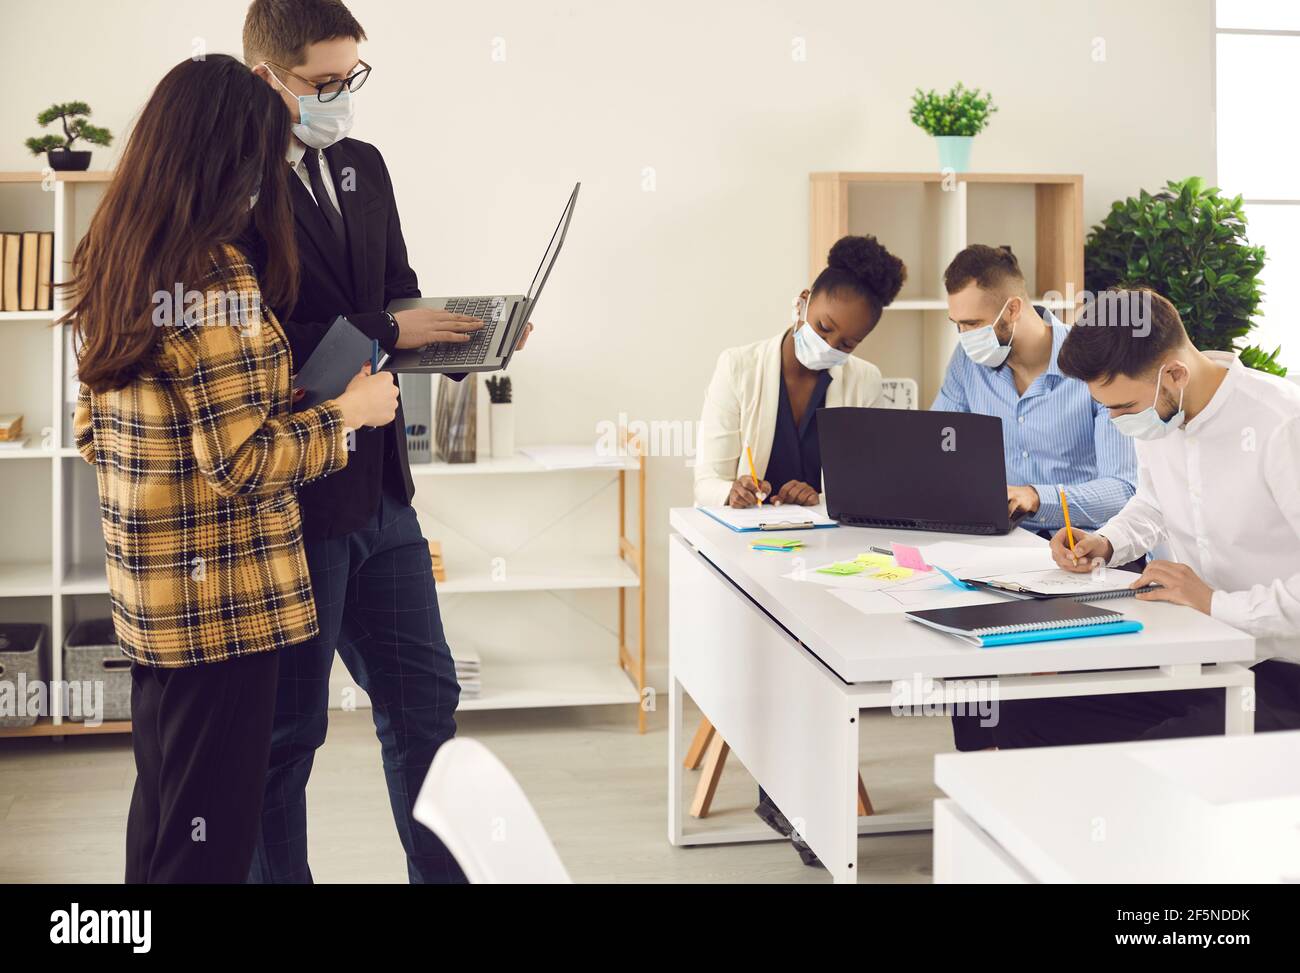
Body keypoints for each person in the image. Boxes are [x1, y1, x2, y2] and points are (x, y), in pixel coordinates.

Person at [67, 54, 398, 883]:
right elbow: (243, 463)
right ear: (227, 155)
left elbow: (100, 428)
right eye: (259, 156)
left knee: (165, 818)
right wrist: (346, 416)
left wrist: (270, 393)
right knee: (207, 843)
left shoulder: (116, 250)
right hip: (225, 607)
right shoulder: (215, 270)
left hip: (155, 601)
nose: (265, 181)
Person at [240, 0, 531, 884]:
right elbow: (263, 343)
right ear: (266, 79)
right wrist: (388, 332)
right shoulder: (234, 184)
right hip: (299, 496)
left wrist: (463, 340)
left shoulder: (363, 165)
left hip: (384, 494)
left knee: (425, 706)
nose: (340, 99)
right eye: (323, 85)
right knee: (286, 738)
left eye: (350, 79)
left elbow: (397, 296)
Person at [992, 289, 1300, 747]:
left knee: (1162, 747)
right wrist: (1107, 542)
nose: (1116, 420)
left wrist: (1213, 602)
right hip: (1208, 649)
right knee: (1019, 710)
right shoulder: (1161, 410)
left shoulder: (1281, 424)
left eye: (1123, 407)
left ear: (1174, 373)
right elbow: (1154, 503)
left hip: (1282, 668)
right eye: (1107, 407)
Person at [694, 233, 907, 865]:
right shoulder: (738, 366)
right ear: (802, 302)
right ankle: (793, 796)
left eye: (849, 343)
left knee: (826, 640)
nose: (834, 348)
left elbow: (864, 491)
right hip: (746, 561)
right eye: (825, 328)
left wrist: (816, 494)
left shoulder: (862, 381)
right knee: (787, 640)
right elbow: (703, 478)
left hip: (825, 559)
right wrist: (731, 490)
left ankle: (795, 796)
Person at [932, 244, 1139, 751]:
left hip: (1084, 555)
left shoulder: (1089, 366)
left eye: (974, 323)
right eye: (957, 324)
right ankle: (982, 767)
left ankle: (1040, 775)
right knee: (957, 642)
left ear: (1014, 309)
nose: (965, 337)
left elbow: (1124, 489)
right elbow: (939, 446)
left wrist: (1033, 496)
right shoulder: (967, 364)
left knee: (1052, 705)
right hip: (999, 552)